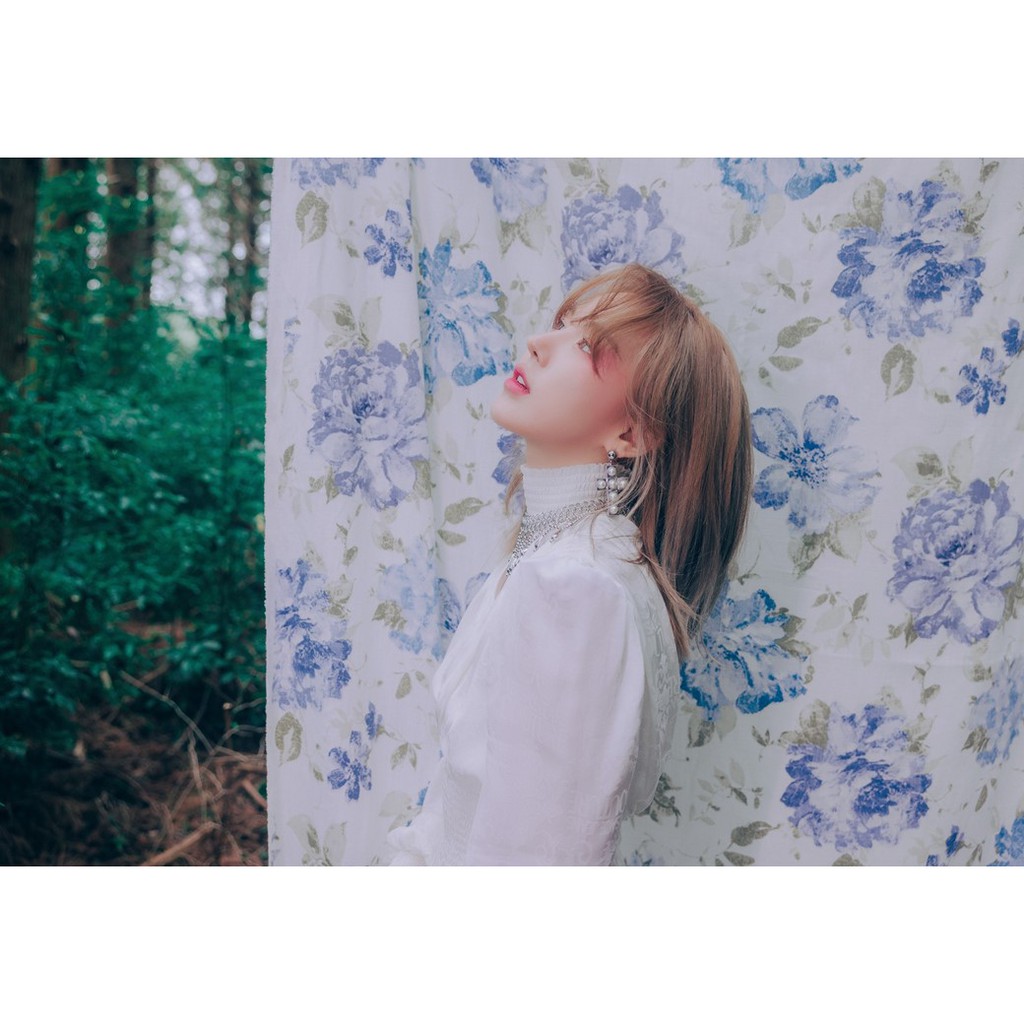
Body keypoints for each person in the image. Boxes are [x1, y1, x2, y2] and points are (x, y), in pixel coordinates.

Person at [386, 262, 752, 866]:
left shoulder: (574, 589)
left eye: (587, 346)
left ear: (632, 434)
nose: (538, 343)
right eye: (561, 325)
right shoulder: (565, 558)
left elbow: (533, 860)